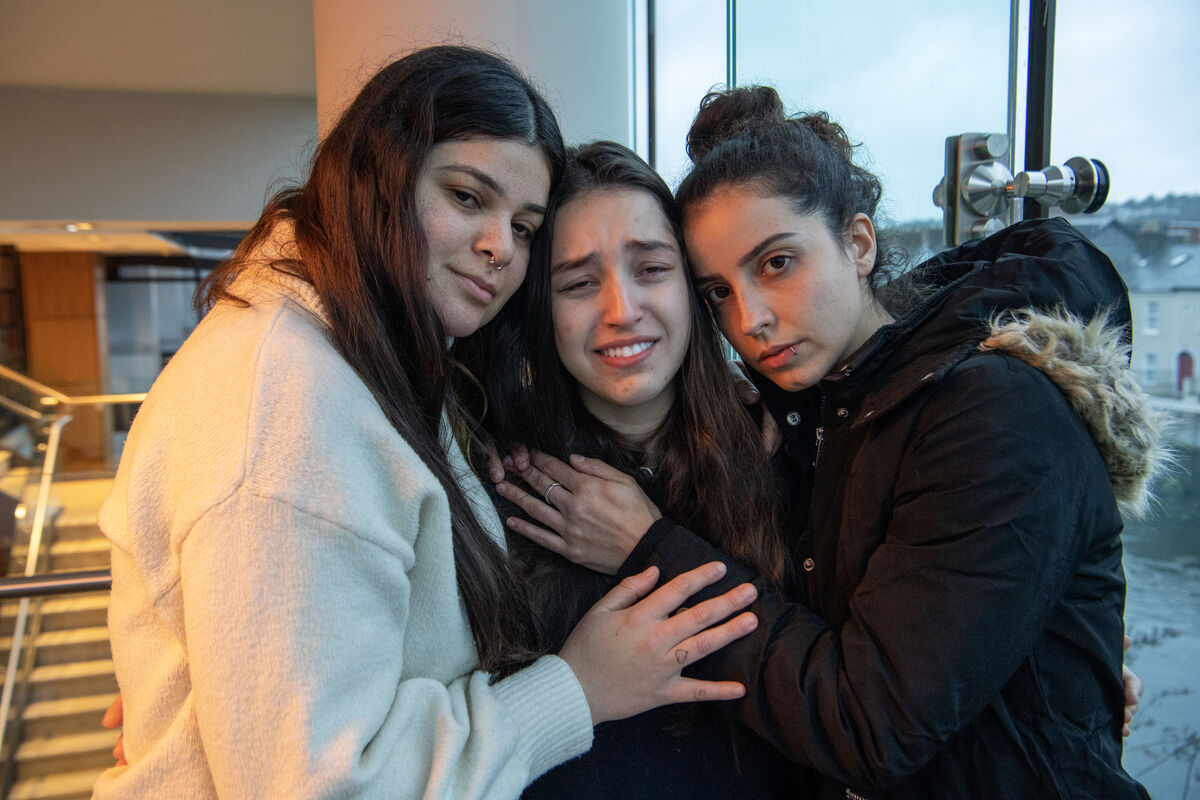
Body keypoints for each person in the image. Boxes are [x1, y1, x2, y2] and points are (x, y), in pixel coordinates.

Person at [90, 48, 760, 800]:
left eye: (525, 225)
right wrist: (574, 687)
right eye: (468, 197)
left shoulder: (379, 370)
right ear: (378, 172)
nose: (498, 246)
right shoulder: (287, 407)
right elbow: (317, 782)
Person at [496, 87, 1163, 799]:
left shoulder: (984, 410)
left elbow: (868, 720)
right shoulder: (804, 424)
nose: (751, 320)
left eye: (778, 263)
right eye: (719, 289)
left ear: (860, 242)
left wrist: (647, 543)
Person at [453, 140, 797, 798]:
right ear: (540, 311)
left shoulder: (783, 452)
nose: (621, 310)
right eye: (579, 283)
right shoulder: (503, 487)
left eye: (651, 269)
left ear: (693, 291)